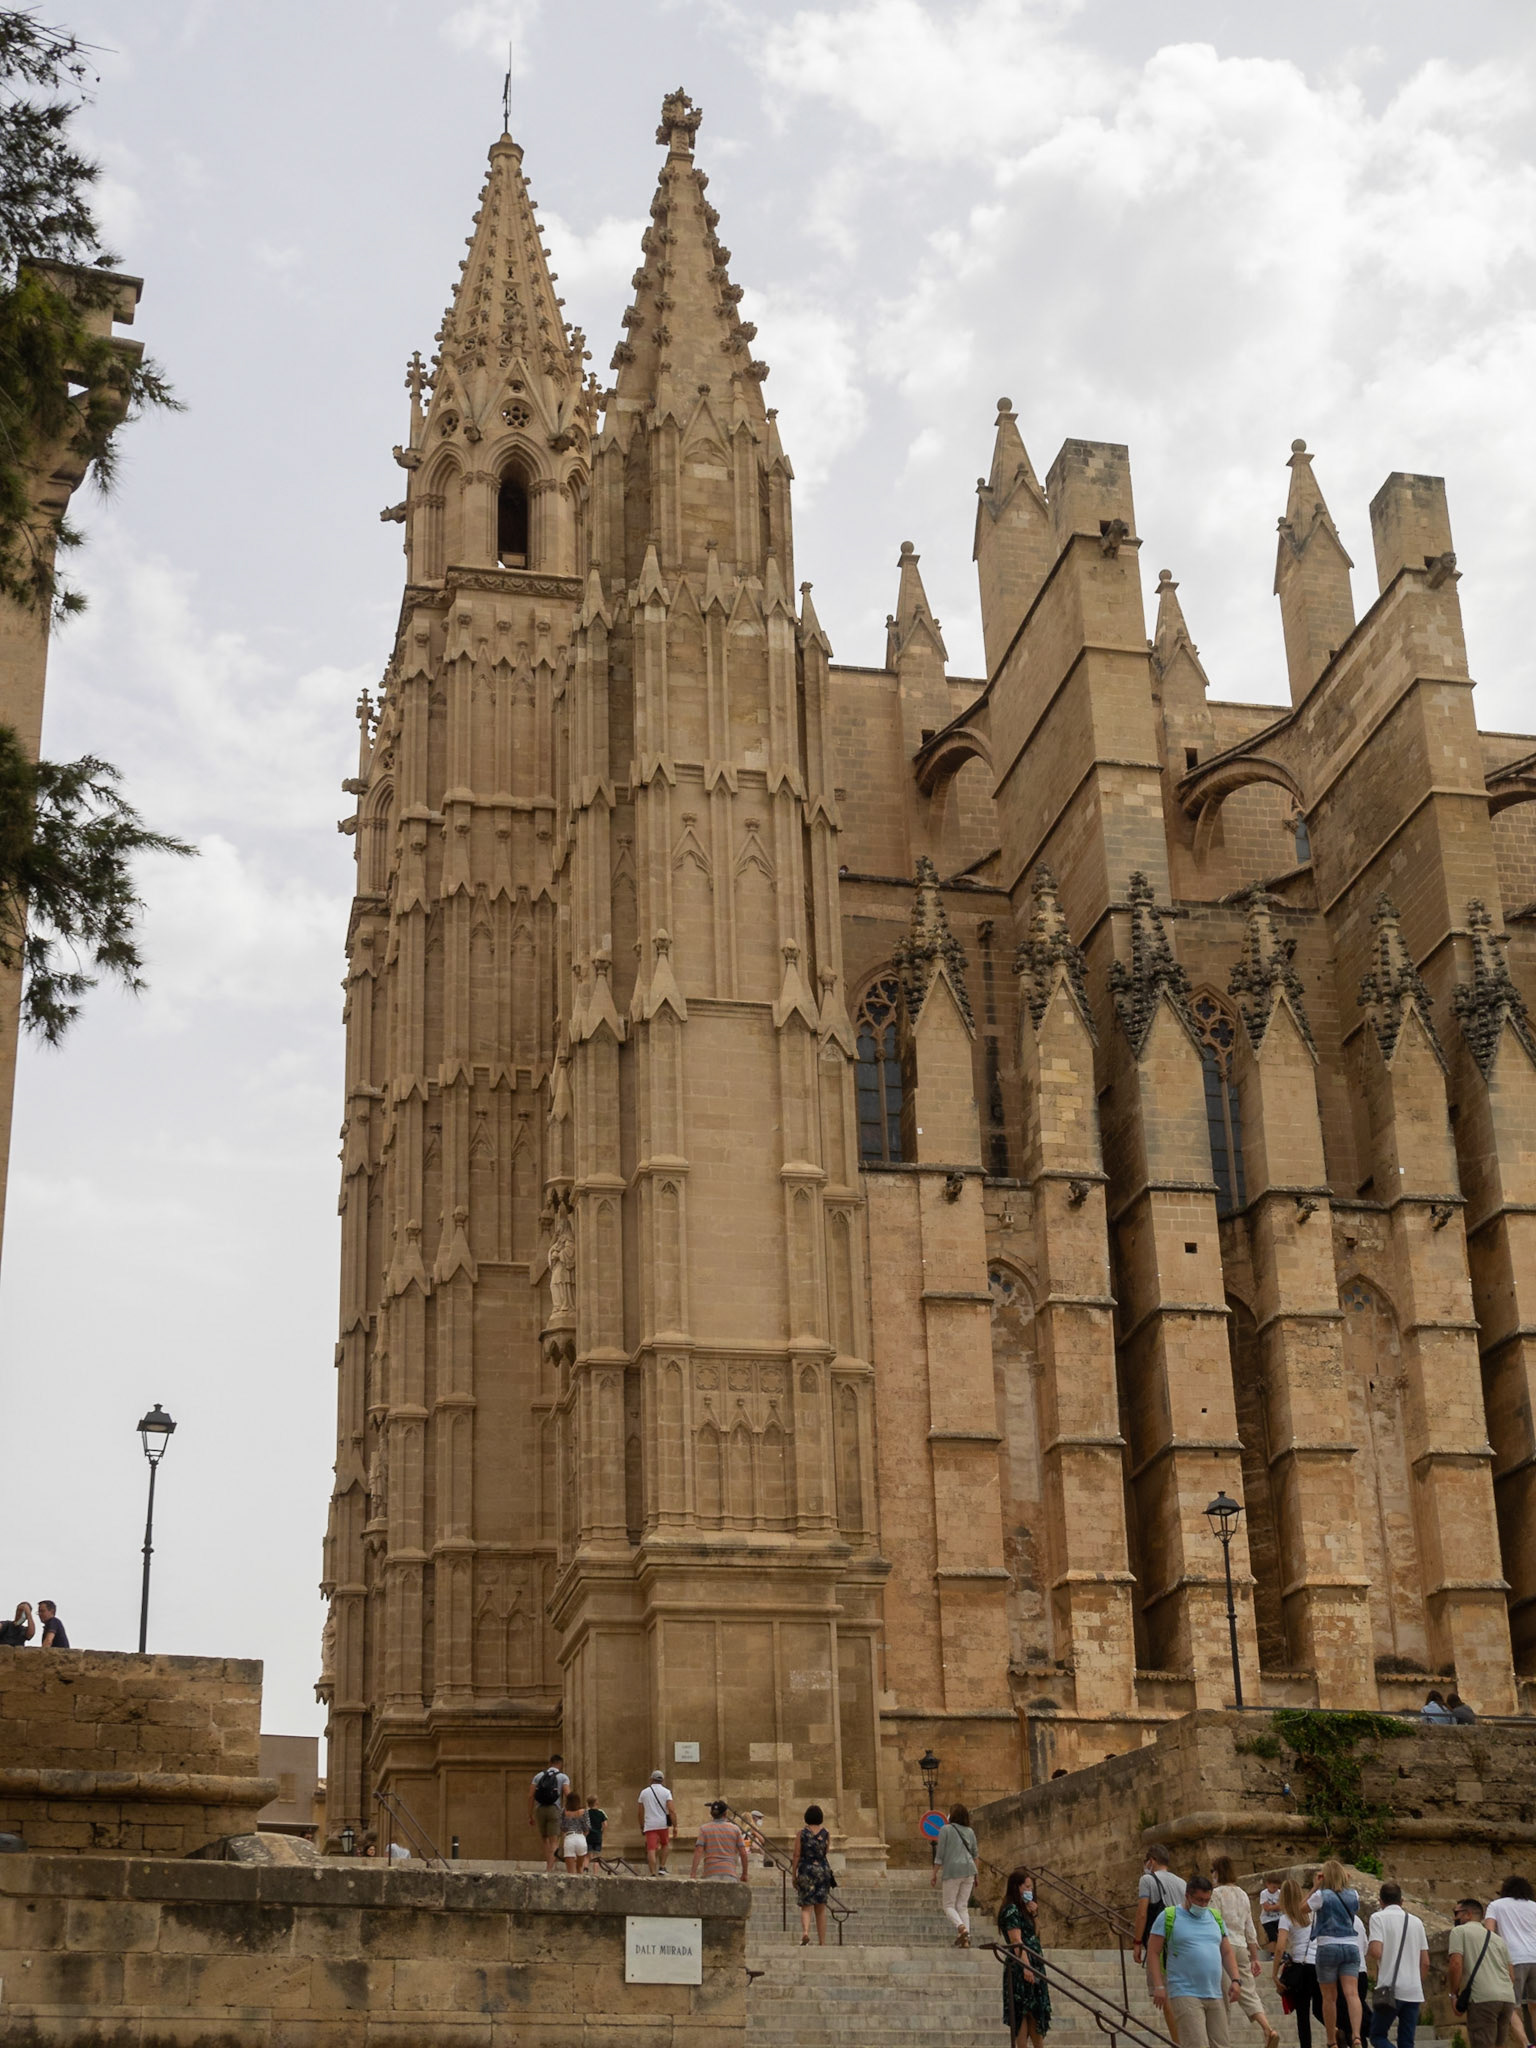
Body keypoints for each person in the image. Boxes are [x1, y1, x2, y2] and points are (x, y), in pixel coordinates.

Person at [1147, 1871, 1244, 2048]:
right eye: (1199, 1900)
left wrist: (1236, 1979)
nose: (1203, 1904)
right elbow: (1153, 1952)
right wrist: (1159, 1985)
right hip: (1184, 1991)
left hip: (1214, 1992)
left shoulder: (1214, 1917)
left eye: (1207, 1900)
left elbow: (1227, 1952)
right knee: (1196, 2043)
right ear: (1188, 1896)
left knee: (1221, 2044)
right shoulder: (1169, 1916)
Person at [1213, 1854, 1281, 2048]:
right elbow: (1249, 1926)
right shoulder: (1242, 1894)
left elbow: (1214, 1922)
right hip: (1241, 1946)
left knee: (1221, 1994)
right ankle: (1267, 2028)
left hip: (1222, 1946)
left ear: (1217, 1872)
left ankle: (1221, 2038)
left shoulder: (1216, 1894)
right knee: (1249, 1992)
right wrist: (1254, 1957)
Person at [1449, 1897, 1520, 2048]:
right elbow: (1511, 1975)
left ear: (1467, 1914)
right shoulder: (1498, 1939)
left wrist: (1454, 1995)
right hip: (1507, 1998)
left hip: (1482, 1999)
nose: (1454, 1917)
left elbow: (1455, 1964)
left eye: (1456, 1913)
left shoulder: (1459, 1931)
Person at [1366, 1880, 1428, 2048]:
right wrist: (1416, 1982)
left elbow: (1376, 1951)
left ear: (1381, 1901)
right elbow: (1425, 1962)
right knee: (1407, 2041)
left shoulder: (1378, 1918)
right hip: (1413, 1990)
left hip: (1390, 1988)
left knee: (1378, 2036)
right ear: (1402, 1901)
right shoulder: (1416, 1922)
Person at [1310, 1858, 1365, 2048]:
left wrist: (1314, 1887)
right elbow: (1353, 1907)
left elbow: (1300, 1910)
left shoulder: (1321, 1895)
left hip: (1328, 1946)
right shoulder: (1354, 1894)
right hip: (1351, 1945)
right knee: (1352, 1994)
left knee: (1329, 1997)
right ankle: (1357, 2036)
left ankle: (1332, 2041)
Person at [999, 1866, 1052, 2047]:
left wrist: (1034, 1913)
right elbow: (1016, 1941)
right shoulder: (1011, 1910)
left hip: (1034, 1963)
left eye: (1031, 1888)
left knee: (1035, 2015)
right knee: (1023, 2013)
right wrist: (1026, 1966)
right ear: (1017, 1887)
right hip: (1022, 1965)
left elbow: (1035, 1934)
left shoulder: (1025, 1910)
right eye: (1026, 1887)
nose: (1030, 1891)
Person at [1274, 1877, 1324, 2048]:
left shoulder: (1286, 1918)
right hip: (1318, 1965)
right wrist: (1314, 1887)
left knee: (1303, 2015)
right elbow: (1303, 1904)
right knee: (1321, 2008)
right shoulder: (1312, 1912)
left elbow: (1280, 1948)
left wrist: (1274, 1975)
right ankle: (1340, 2032)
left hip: (1300, 1967)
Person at [1486, 1878, 1536, 2045]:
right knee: (1534, 2005)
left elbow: (1489, 1934)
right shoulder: (1534, 1906)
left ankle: (1526, 2043)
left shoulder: (1496, 1906)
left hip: (1513, 1960)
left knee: (1511, 2007)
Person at [930, 1803, 979, 1948]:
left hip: (952, 1871)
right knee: (962, 1906)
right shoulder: (970, 1831)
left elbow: (940, 1855)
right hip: (970, 1870)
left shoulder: (945, 1830)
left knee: (948, 1905)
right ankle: (966, 1939)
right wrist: (977, 1875)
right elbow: (976, 1854)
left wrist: (934, 1874)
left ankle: (961, 1928)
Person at [1136, 1846, 1188, 1966]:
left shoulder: (1147, 1880)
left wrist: (1137, 1942)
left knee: (1157, 1981)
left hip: (1160, 1941)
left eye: (1146, 1861)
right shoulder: (1182, 1882)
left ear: (1152, 1861)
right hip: (1182, 1940)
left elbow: (1142, 1914)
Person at [791, 1804, 835, 1947]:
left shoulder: (802, 1833)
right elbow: (826, 1851)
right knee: (821, 1908)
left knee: (806, 1905)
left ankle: (805, 1932)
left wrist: (794, 1874)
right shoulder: (826, 1833)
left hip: (806, 1869)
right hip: (822, 1870)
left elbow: (797, 1854)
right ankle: (822, 1942)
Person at [528, 1753, 570, 1874]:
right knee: (554, 1841)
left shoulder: (538, 1776)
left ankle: (548, 1865)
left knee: (545, 1839)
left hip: (540, 1809)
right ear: (560, 1764)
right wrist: (568, 1810)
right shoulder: (563, 1777)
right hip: (554, 1809)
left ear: (550, 1763)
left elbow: (530, 1795)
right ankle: (550, 1868)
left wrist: (530, 1814)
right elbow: (568, 1794)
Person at [691, 1799, 749, 1881]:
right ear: (725, 1813)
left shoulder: (704, 1829)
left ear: (711, 1813)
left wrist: (693, 1873)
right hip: (729, 1872)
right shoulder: (735, 1829)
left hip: (710, 1872)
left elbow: (698, 1851)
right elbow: (743, 1853)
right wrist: (745, 1874)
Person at [638, 1770, 676, 1877]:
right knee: (665, 1844)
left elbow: (640, 1812)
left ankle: (652, 1872)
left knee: (651, 1848)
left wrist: (641, 1825)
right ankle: (662, 1867)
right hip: (662, 1823)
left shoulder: (644, 1792)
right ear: (662, 1780)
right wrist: (675, 1826)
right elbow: (672, 1810)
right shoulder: (666, 1792)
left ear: (651, 1779)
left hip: (649, 1824)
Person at [1260, 1876, 1283, 1956]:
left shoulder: (1280, 1893)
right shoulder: (1264, 1893)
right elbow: (1266, 1908)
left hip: (1278, 1917)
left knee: (1281, 1935)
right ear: (1268, 1885)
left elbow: (1282, 1906)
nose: (1275, 1889)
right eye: (1273, 1887)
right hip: (1267, 1919)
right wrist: (1277, 1906)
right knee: (1272, 1936)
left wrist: (1272, 1907)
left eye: (1277, 1887)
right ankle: (1273, 1953)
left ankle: (1281, 1952)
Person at [584, 1796, 608, 1863]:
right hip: (597, 1836)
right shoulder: (600, 1813)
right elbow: (605, 1824)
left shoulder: (586, 1813)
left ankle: (585, 1869)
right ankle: (595, 1872)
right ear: (596, 1802)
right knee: (596, 1857)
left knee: (587, 1855)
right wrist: (601, 1832)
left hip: (589, 1836)